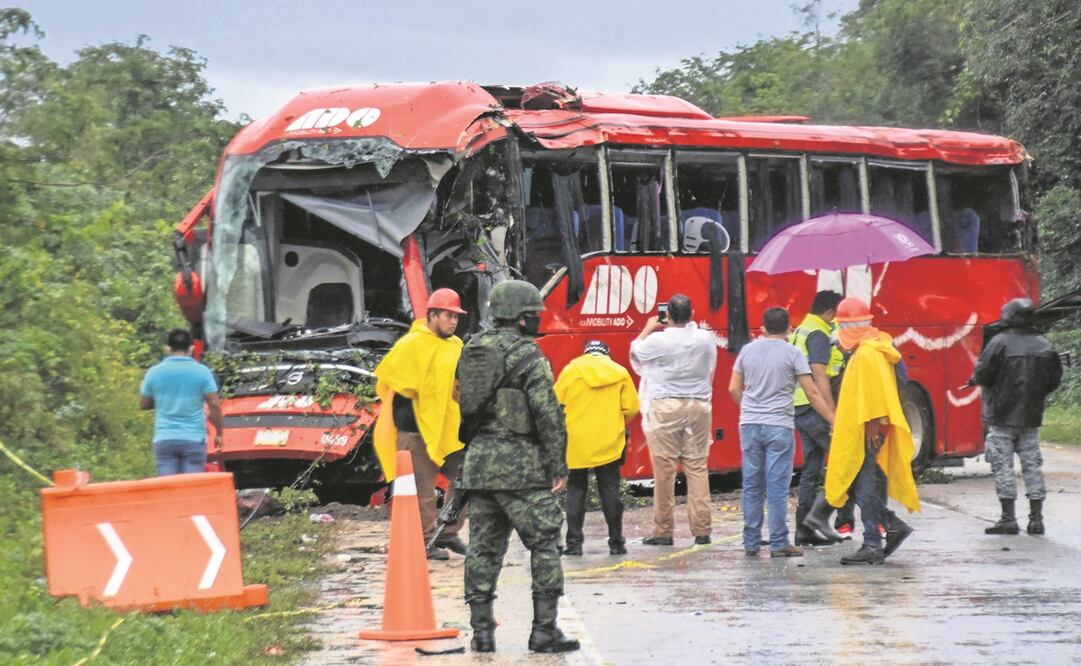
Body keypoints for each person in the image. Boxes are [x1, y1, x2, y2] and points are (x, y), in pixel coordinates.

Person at [457, 280, 579, 654]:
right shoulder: (530, 357)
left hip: (479, 466)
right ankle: (544, 631)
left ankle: (482, 634)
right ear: (520, 317)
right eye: (533, 315)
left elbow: (459, 396)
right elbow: (546, 413)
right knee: (544, 544)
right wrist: (558, 464)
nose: (537, 320)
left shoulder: (472, 350)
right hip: (521, 468)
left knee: (482, 549)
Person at [815, 297, 920, 565]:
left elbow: (873, 392)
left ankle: (874, 541)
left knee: (861, 484)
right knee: (859, 482)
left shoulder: (866, 355)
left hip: (866, 428)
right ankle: (888, 526)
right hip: (866, 426)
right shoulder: (878, 346)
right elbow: (896, 384)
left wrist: (873, 421)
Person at [729, 307, 835, 558]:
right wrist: (833, 420)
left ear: (763, 328)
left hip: (750, 425)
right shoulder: (794, 353)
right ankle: (778, 543)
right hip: (779, 426)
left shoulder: (747, 350)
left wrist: (750, 409)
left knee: (752, 486)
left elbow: (733, 388)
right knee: (777, 487)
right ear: (788, 328)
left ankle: (751, 543)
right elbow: (812, 393)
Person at [373, 288, 468, 561]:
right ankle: (427, 540)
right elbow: (392, 383)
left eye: (456, 317)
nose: (453, 322)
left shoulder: (456, 346)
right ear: (433, 315)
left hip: (448, 429)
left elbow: (458, 386)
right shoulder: (410, 345)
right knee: (422, 492)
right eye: (449, 316)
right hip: (414, 431)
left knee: (467, 476)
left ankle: (448, 533)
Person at [630, 294, 717, 546]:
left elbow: (636, 353)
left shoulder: (657, 340)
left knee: (664, 472)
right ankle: (702, 530)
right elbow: (711, 366)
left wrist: (648, 328)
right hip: (698, 406)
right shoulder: (705, 338)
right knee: (697, 467)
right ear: (691, 314)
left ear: (667, 316)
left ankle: (664, 531)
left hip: (664, 406)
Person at [971, 298, 1063, 535]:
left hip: (1001, 415)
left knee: (1002, 465)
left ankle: (1008, 518)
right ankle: (1036, 518)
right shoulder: (1045, 345)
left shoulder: (999, 342)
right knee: (1032, 466)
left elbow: (983, 373)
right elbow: (1053, 380)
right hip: (1031, 416)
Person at [555, 340, 640, 556]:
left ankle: (574, 544)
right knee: (610, 490)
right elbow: (632, 408)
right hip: (609, 440)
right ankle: (616, 542)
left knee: (575, 490)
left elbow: (556, 403)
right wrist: (616, 423)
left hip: (576, 441)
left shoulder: (571, 370)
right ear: (607, 353)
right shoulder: (619, 372)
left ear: (586, 353)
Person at [789, 290, 846, 547]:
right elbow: (819, 375)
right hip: (814, 408)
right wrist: (832, 414)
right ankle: (824, 519)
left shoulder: (802, 328)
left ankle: (804, 529)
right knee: (847, 462)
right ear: (829, 312)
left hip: (799, 407)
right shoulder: (819, 333)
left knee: (811, 469)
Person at [139, 328, 223, 476]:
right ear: (191, 348)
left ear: (167, 348)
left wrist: (162, 399)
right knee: (191, 488)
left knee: (169, 488)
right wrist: (219, 433)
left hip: (164, 439)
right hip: (194, 439)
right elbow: (214, 404)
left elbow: (144, 404)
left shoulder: (154, 372)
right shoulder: (202, 372)